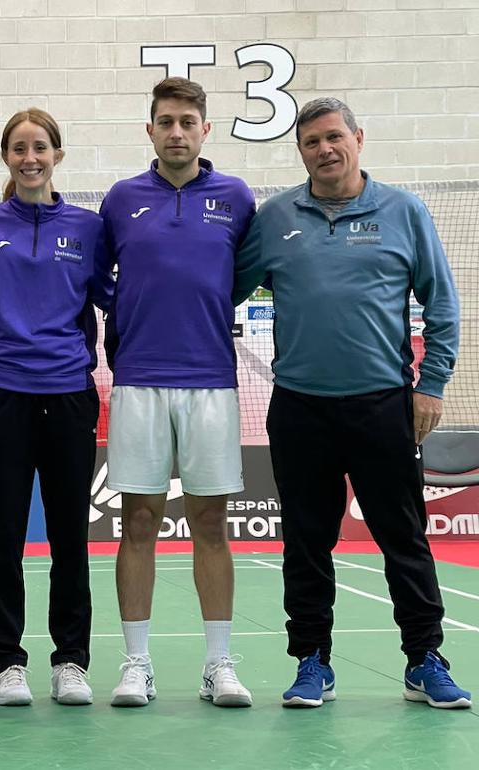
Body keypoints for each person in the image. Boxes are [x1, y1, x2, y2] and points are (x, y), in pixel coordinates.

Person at [234, 97, 471, 710]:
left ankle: (424, 660)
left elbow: (442, 305)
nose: (324, 149)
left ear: (359, 139)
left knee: (404, 538)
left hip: (382, 408)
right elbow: (221, 288)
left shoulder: (403, 211)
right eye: (311, 141)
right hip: (300, 410)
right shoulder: (276, 217)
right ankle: (311, 661)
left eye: (334, 137)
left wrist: (432, 384)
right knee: (306, 543)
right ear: (300, 151)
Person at [100, 77, 256, 708]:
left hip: (211, 383)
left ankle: (219, 664)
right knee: (136, 521)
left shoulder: (236, 198)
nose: (176, 132)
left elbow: (244, 274)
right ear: (150, 130)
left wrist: (207, 308)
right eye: (165, 121)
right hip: (137, 380)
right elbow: (94, 275)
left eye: (187, 121)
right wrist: (131, 312)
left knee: (210, 525)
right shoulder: (120, 199)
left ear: (205, 130)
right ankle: (137, 663)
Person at [0, 108, 112, 707]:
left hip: (69, 397)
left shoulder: (89, 228)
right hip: (1, 399)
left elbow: (117, 295)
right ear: (6, 158)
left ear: (57, 156)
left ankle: (71, 660)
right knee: (5, 539)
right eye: (18, 148)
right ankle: (8, 663)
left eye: (40, 147)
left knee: (71, 538)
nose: (30, 157)